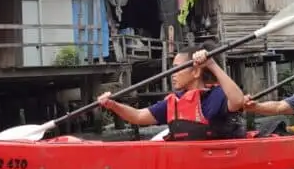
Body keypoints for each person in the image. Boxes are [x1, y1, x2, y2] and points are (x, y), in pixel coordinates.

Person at [96, 42, 249, 141]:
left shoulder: (216, 96)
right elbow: (138, 116)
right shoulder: (174, 102)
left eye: (178, 68)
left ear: (196, 72)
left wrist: (211, 64)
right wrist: (113, 105)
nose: (173, 74)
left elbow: (238, 100)